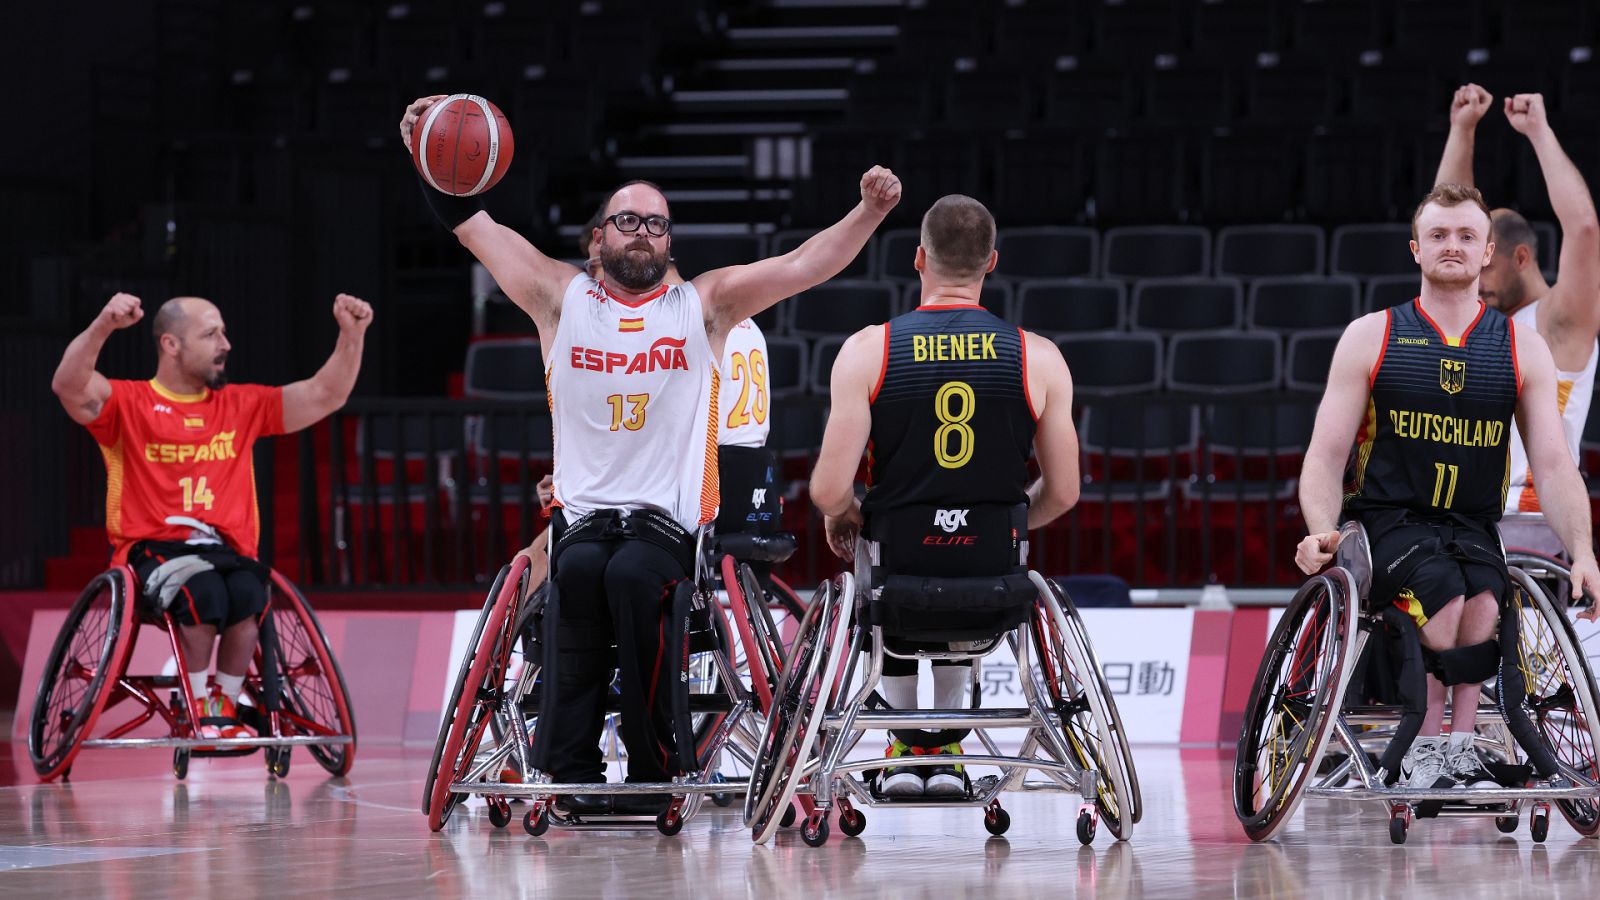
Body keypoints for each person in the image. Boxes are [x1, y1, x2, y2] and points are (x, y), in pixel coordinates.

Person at [399, 94, 900, 804]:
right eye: (627, 220)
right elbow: (466, 219)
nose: (642, 232)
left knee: (633, 577)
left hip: (668, 527)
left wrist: (869, 212)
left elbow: (805, 265)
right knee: (577, 577)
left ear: (670, 243)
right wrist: (425, 149)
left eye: (656, 224)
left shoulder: (705, 305)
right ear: (597, 237)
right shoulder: (557, 297)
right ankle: (566, 774)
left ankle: (655, 764)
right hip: (582, 518)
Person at [1294, 184, 1600, 794]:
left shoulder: (1521, 346)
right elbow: (1325, 457)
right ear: (1416, 249)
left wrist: (1586, 552)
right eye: (1438, 235)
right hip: (1386, 519)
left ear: (1489, 252)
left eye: (1466, 236)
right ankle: (1427, 744)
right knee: (1444, 591)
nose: (1452, 246)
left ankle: (1460, 749)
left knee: (1487, 595)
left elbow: (1555, 465)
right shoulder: (1371, 335)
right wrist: (1320, 529)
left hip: (1471, 523)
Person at [808, 194, 1079, 798]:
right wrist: (1004, 522)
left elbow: (828, 488)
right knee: (965, 571)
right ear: (991, 263)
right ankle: (948, 738)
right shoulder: (1039, 356)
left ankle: (908, 741)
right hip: (990, 570)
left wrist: (850, 516)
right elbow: (1064, 492)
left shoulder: (867, 350)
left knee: (887, 566)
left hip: (898, 565)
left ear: (919, 259)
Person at [51, 291, 372, 739]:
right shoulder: (129, 403)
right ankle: (195, 703)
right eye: (211, 333)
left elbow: (325, 394)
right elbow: (68, 385)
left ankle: (223, 700)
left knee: (249, 591)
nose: (226, 343)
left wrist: (351, 336)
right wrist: (104, 324)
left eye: (224, 332)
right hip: (153, 550)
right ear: (171, 345)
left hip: (223, 550)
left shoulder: (241, 405)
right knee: (204, 593)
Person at [1434, 87, 1600, 540]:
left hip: (1528, 517)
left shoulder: (1557, 320)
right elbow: (1446, 214)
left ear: (1521, 258)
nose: (1475, 275)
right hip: (1467, 516)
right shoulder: (1474, 314)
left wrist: (1539, 132)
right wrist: (1462, 129)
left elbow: (1584, 228)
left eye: (1486, 264)